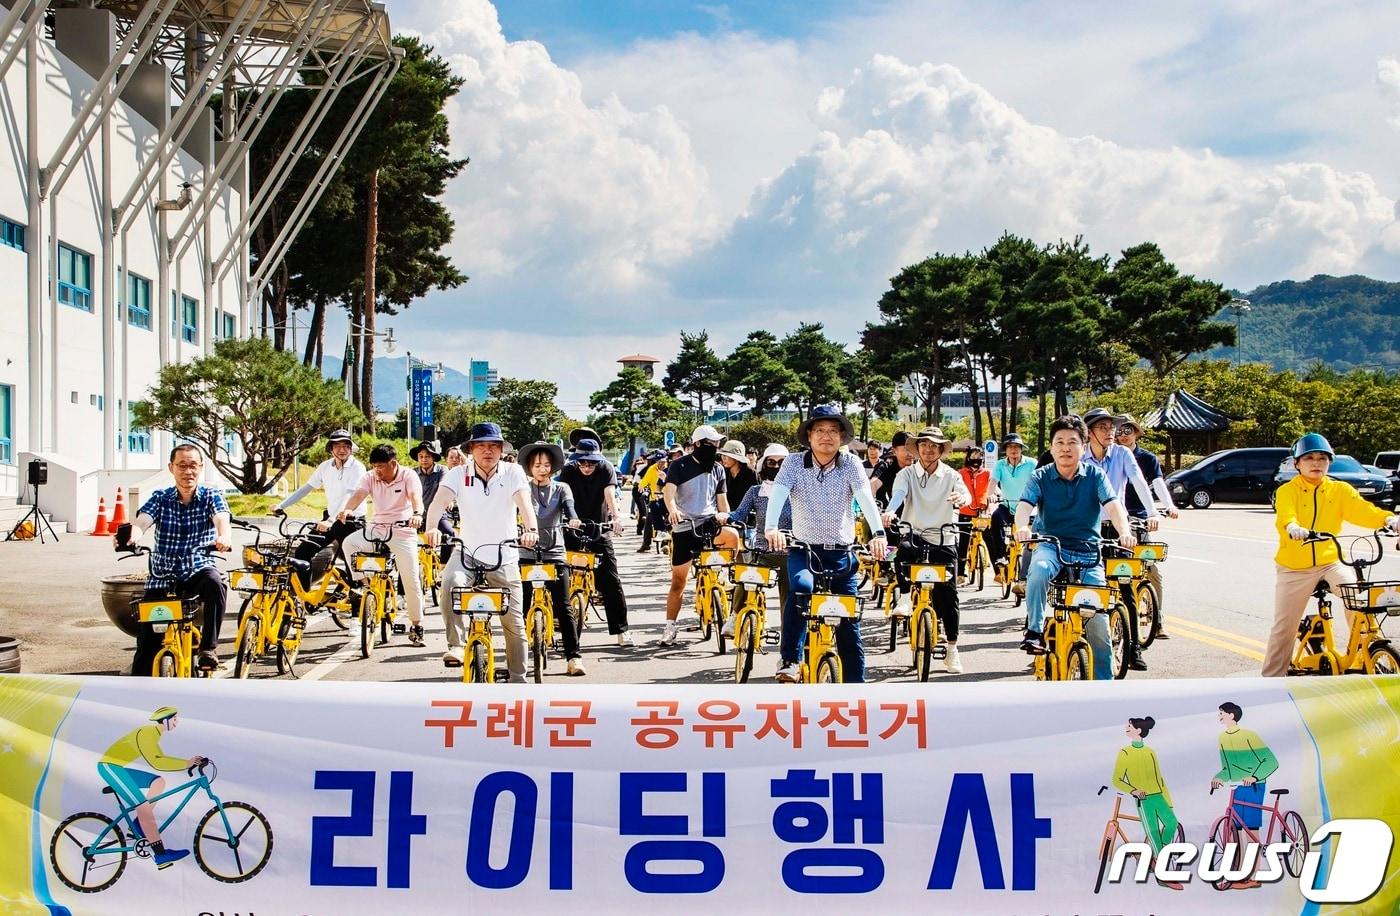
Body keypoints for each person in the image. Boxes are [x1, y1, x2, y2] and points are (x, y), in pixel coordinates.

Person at [766, 406, 888, 683]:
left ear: (842, 436)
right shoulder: (794, 463)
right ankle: (790, 659)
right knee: (801, 589)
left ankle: (857, 687)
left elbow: (865, 497)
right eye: (820, 430)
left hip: (842, 553)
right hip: (803, 549)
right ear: (809, 436)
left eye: (833, 431)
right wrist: (771, 528)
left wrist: (878, 533)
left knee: (849, 623)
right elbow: (779, 494)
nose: (826, 437)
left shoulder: (851, 464)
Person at [1264, 433, 1400, 676]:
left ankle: (1368, 654)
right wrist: (1293, 528)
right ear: (1297, 463)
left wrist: (1388, 519)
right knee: (1285, 626)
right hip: (1295, 567)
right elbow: (1286, 516)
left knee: (1359, 603)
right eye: (1309, 458)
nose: (1316, 463)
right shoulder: (1288, 490)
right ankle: (1269, 682)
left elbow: (1363, 510)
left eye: (1322, 458)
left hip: (1330, 562)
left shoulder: (1339, 490)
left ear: (1329, 462)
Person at [1014, 415, 1138, 678]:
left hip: (1088, 552)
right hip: (1051, 545)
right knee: (1039, 569)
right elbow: (1024, 505)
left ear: (1083, 445)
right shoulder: (1040, 476)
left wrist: (1124, 531)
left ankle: (1103, 688)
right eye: (1059, 442)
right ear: (1051, 447)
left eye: (1072, 442)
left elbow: (1114, 506)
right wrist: (1022, 527)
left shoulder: (1095, 475)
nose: (1065, 448)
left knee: (1099, 626)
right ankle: (1034, 630)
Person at [424, 423, 539, 676]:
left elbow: (524, 503)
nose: (487, 451)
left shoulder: (513, 471)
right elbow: (439, 501)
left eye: (493, 446)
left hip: (504, 556)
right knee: (450, 584)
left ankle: (518, 678)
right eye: (481, 446)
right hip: (467, 552)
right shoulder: (457, 474)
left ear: (500, 449)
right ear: (472, 449)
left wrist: (531, 530)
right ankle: (456, 644)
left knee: (513, 621)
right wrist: (431, 527)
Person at [122, 444, 232, 675]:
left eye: (193, 465)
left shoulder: (211, 496)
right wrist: (132, 536)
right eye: (182, 465)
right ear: (171, 468)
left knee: (216, 583)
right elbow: (143, 521)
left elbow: (222, 518)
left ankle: (208, 649)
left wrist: (224, 536)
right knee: (146, 649)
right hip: (163, 576)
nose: (188, 471)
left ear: (201, 467)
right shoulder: (161, 498)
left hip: (197, 570)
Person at [881, 426, 970, 673]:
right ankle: (907, 598)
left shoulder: (951, 475)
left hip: (944, 537)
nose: (928, 450)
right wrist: (890, 510)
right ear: (917, 448)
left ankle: (952, 649)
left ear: (941, 450)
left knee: (948, 596)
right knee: (903, 550)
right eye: (924, 445)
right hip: (915, 532)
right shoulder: (907, 474)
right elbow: (898, 494)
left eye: (934, 446)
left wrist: (963, 500)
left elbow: (965, 495)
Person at [1082, 407, 1162, 673]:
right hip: (1089, 530)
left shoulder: (1123, 454)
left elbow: (1139, 482)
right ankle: (1084, 639)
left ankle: (1133, 647)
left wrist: (1152, 511)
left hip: (1120, 530)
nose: (1111, 432)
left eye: (1111, 427)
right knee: (1087, 586)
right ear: (1090, 432)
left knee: (1126, 586)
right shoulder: (1080, 457)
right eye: (1103, 428)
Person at [338, 444, 427, 647]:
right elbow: (359, 494)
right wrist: (347, 510)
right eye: (374, 466)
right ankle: (363, 583)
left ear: (393, 463)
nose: (377, 470)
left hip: (402, 531)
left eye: (380, 466)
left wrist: (417, 515)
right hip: (376, 528)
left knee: (411, 579)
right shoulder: (370, 477)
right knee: (349, 543)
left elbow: (416, 497)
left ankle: (417, 625)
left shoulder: (408, 476)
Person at [97, 706, 207, 869]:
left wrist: (187, 763)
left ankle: (138, 824)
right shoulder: (147, 733)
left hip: (117, 767)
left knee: (158, 782)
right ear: (166, 720)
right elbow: (157, 761)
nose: (177, 722)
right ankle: (160, 854)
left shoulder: (154, 735)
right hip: (110, 768)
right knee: (144, 809)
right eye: (175, 718)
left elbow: (159, 758)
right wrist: (186, 763)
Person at [660, 425, 740, 646]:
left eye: (716, 444)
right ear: (697, 444)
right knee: (679, 581)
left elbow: (722, 501)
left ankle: (726, 575)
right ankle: (670, 626)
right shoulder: (679, 465)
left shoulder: (717, 469)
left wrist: (725, 515)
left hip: (709, 523)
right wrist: (673, 510)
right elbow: (669, 493)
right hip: (685, 526)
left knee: (732, 536)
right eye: (710, 444)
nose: (715, 447)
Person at [558, 438, 636, 646]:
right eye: (582, 462)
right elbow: (564, 495)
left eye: (590, 463)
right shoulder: (568, 470)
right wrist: (567, 517)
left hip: (598, 527)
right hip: (571, 525)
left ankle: (622, 630)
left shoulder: (606, 469)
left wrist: (616, 518)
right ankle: (555, 621)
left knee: (611, 579)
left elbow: (609, 494)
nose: (586, 467)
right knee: (559, 576)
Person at [519, 441, 586, 675]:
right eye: (537, 465)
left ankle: (573, 657)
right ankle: (518, 659)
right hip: (525, 552)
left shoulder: (562, 488)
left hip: (555, 552)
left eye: (546, 465)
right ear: (529, 467)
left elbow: (570, 508)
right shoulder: (522, 488)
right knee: (521, 606)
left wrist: (573, 519)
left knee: (563, 606)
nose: (542, 469)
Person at [272, 429, 366, 590]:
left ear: (351, 448)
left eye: (346, 446)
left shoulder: (358, 467)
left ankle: (356, 597)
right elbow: (307, 488)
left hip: (351, 520)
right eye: (337, 446)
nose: (342, 450)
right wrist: (281, 505)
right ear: (330, 449)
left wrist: (331, 521)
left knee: (353, 559)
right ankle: (302, 596)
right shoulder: (325, 466)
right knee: (302, 552)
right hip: (329, 518)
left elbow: (349, 496)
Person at [1115, 415, 1178, 638]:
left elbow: (1156, 483)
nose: (1122, 435)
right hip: (1114, 519)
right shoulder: (1110, 455)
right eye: (1118, 431)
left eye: (1127, 430)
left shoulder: (1147, 458)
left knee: (1151, 571)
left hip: (1139, 518)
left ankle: (1158, 619)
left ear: (1136, 432)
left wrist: (1168, 506)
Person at [1209, 702, 1279, 890]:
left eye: (1222, 713)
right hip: (1236, 787)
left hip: (1254, 786)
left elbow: (1270, 761)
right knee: (1237, 830)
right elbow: (1227, 768)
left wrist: (1254, 776)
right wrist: (1219, 778)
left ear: (1232, 715)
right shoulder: (1222, 738)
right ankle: (1239, 874)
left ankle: (1254, 877)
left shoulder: (1249, 736)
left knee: (1250, 830)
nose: (1219, 716)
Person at [726, 443, 793, 632]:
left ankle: (788, 639)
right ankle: (735, 616)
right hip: (762, 551)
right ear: (764, 466)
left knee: (790, 598)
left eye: (782, 463)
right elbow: (739, 514)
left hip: (790, 553)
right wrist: (725, 517)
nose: (777, 466)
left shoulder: (798, 492)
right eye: (772, 462)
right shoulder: (756, 492)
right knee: (746, 575)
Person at [1111, 716, 1182, 890]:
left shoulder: (1150, 751)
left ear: (1139, 730)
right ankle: (1162, 871)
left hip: (1159, 795)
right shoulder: (1125, 752)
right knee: (1152, 831)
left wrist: (1169, 801)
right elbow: (1117, 779)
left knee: (1172, 824)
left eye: (1129, 726)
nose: (1126, 728)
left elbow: (1159, 778)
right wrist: (1133, 790)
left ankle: (1156, 857)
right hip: (1143, 799)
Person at [988, 433, 1033, 585]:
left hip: (1027, 507)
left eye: (1016, 447)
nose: (1013, 450)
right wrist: (991, 494)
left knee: (1034, 537)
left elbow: (1040, 482)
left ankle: (1028, 573)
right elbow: (993, 481)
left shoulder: (1032, 463)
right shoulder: (1000, 465)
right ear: (1005, 450)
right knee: (995, 518)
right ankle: (1001, 556)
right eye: (1010, 447)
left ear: (1021, 449)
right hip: (1007, 505)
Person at [956, 447, 997, 583]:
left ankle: (998, 572)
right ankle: (960, 574)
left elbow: (994, 487)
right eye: (974, 456)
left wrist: (994, 495)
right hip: (966, 511)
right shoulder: (961, 473)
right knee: (963, 543)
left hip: (983, 512)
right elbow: (954, 488)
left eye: (979, 456)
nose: (976, 459)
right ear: (968, 458)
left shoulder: (987, 473)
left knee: (990, 541)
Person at [410, 440, 455, 561]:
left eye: (427, 456)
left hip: (438, 515)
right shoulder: (413, 473)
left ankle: (444, 566)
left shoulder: (442, 470)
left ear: (433, 457)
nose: (424, 459)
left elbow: (444, 487)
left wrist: (448, 500)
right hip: (417, 516)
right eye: (421, 456)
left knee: (449, 534)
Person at [870, 431, 915, 507]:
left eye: (912, 449)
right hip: (890, 514)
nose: (910, 454)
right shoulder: (886, 466)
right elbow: (873, 484)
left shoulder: (920, 467)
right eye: (906, 449)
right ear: (894, 451)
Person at [637, 450, 669, 552]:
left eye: (663, 462)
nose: (661, 464)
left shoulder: (670, 469)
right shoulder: (652, 469)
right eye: (658, 462)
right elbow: (644, 481)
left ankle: (665, 545)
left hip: (669, 499)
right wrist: (641, 487)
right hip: (654, 498)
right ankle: (646, 544)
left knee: (670, 520)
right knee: (649, 520)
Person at [719, 438, 757, 508]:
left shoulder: (750, 473)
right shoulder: (722, 472)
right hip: (726, 515)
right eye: (722, 455)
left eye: (726, 455)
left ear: (735, 458)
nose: (723, 458)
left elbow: (757, 498)